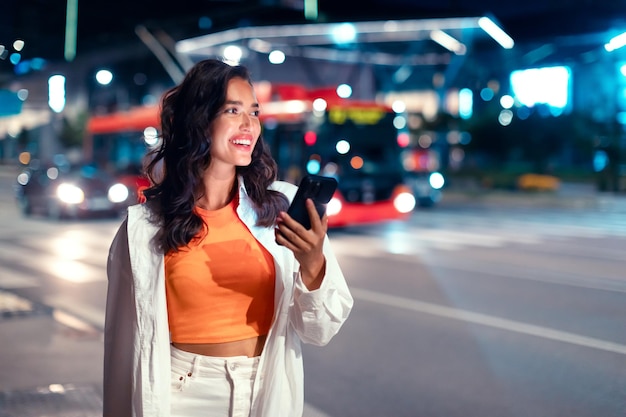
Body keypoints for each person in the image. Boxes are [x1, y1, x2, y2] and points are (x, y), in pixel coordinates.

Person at [103, 58, 354, 417]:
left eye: (254, 111)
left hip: (267, 388)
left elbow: (320, 330)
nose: (248, 124)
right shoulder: (144, 226)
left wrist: (313, 264)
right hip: (183, 393)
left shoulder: (280, 206)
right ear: (199, 121)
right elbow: (123, 346)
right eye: (232, 110)